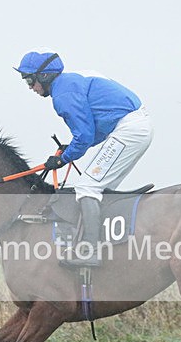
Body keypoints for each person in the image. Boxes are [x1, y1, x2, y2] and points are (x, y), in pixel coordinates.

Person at [14, 51, 153, 267]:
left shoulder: (62, 95)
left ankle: (90, 251)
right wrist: (70, 150)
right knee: (100, 189)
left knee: (87, 188)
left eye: (30, 80)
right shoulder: (74, 79)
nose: (30, 87)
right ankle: (110, 247)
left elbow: (85, 136)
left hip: (129, 130)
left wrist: (63, 159)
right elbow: (93, 131)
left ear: (44, 76)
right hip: (134, 126)